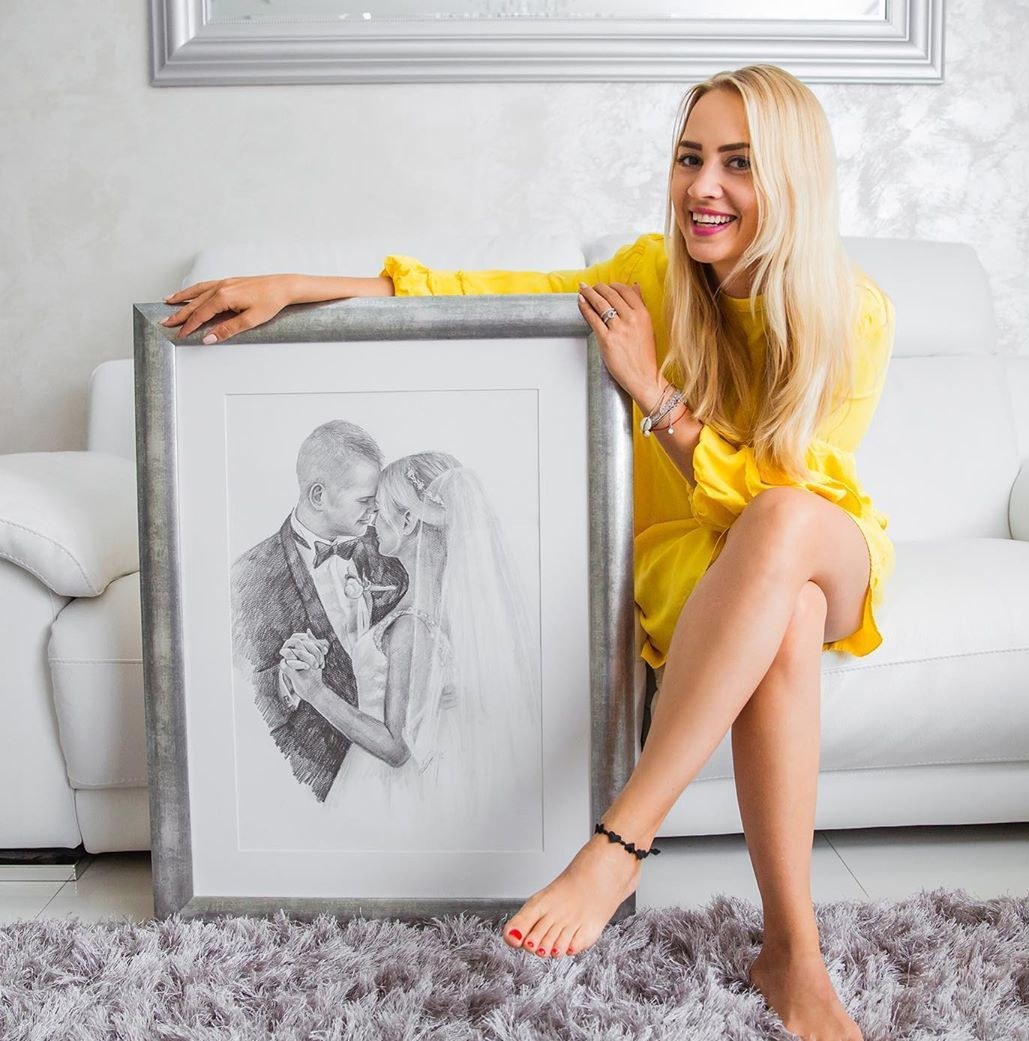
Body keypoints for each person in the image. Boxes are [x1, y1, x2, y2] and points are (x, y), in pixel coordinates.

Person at [163, 63, 895, 1041]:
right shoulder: (652, 274)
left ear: (793, 180)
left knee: (785, 530)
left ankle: (618, 844)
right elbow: (488, 295)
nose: (703, 188)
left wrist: (657, 396)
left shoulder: (853, 311)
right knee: (784, 615)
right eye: (689, 159)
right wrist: (301, 288)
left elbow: (780, 497)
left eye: (738, 164)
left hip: (822, 547)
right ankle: (792, 954)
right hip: (703, 571)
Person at [282, 450, 540, 841]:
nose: (371, 521)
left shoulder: (412, 626)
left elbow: (396, 746)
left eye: (379, 509)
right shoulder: (434, 613)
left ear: (407, 521)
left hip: (385, 788)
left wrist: (315, 691)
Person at [230, 420, 409, 803]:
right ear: (318, 495)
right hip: (315, 777)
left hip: (398, 770)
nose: (376, 511)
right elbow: (236, 692)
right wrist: (288, 678)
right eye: (365, 501)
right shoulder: (251, 575)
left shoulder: (390, 546)